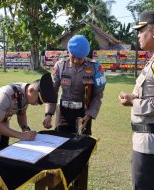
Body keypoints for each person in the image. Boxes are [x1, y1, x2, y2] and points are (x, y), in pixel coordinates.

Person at [42, 34, 106, 190]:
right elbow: (52, 91)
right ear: (68, 51)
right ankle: (59, 185)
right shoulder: (59, 66)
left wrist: (89, 115)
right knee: (60, 151)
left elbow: (98, 95)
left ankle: (79, 184)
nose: (77, 61)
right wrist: (49, 114)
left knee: (81, 153)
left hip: (83, 115)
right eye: (74, 57)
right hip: (63, 114)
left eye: (81, 58)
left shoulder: (96, 68)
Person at [0, 72, 57, 190]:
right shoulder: (7, 94)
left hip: (2, 121)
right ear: (32, 90)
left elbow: (21, 113)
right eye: (39, 101)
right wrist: (21, 135)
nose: (38, 104)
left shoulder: (26, 94)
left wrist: (25, 129)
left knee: (3, 158)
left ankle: (2, 186)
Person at [118, 10, 154, 190]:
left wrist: (134, 103)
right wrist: (134, 96)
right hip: (146, 140)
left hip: (151, 145)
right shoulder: (153, 60)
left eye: (142, 30)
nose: (138, 35)